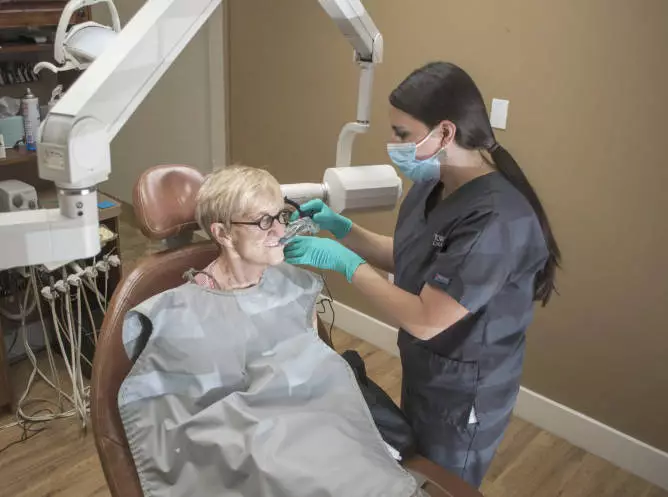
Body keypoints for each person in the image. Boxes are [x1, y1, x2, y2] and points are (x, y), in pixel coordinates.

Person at [284, 61, 561, 488]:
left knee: (440, 485)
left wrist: (345, 264)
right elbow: (412, 257)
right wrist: (343, 230)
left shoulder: (496, 220)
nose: (392, 145)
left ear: (445, 133)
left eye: (401, 134)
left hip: (464, 392)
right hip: (429, 371)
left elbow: (428, 319)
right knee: (412, 468)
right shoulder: (436, 183)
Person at [117, 165, 423, 497]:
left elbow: (315, 374)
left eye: (281, 216)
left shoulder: (295, 285)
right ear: (223, 233)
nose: (280, 230)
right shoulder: (173, 314)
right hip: (259, 453)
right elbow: (189, 421)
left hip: (321, 430)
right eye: (264, 221)